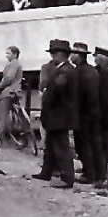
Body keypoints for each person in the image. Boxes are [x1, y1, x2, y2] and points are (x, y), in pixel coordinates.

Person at [32, 39, 79, 189]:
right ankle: (46, 172)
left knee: (61, 147)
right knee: (51, 145)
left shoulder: (64, 71)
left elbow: (57, 89)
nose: (52, 57)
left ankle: (67, 178)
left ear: (60, 54)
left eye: (53, 53)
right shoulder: (66, 69)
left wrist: (47, 96)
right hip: (59, 115)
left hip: (59, 115)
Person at [70, 42, 107, 189]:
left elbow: (77, 95)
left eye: (73, 53)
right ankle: (99, 174)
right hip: (95, 113)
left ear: (78, 55)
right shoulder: (93, 71)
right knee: (95, 144)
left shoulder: (77, 72)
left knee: (83, 144)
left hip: (83, 114)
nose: (70, 56)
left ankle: (89, 173)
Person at [0, 46, 23, 141]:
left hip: (9, 92)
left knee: (2, 114)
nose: (6, 56)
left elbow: (9, 78)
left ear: (15, 54)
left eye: (8, 53)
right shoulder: (14, 64)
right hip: (10, 91)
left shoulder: (13, 64)